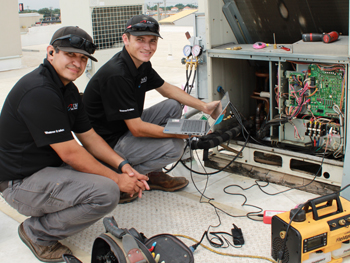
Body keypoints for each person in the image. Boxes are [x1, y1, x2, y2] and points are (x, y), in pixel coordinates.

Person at [0, 26, 149, 262]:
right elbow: (70, 153)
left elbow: (89, 137)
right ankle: (36, 233)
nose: (77, 64)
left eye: (82, 58)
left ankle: (55, 212)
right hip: (20, 183)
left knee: (107, 173)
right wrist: (118, 181)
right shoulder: (39, 90)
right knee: (107, 192)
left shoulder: (68, 90)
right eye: (70, 55)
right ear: (51, 53)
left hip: (49, 170)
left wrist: (122, 166)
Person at [83, 15, 220, 203]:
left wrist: (204, 106)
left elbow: (166, 89)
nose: (147, 47)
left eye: (152, 41)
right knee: (174, 147)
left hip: (123, 129)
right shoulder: (117, 74)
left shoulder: (141, 64)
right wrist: (179, 133)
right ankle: (122, 181)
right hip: (108, 145)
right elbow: (137, 129)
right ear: (126, 39)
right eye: (140, 40)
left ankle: (151, 173)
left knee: (172, 105)